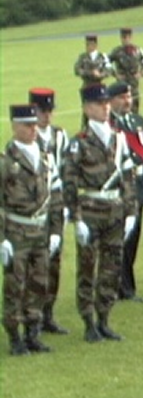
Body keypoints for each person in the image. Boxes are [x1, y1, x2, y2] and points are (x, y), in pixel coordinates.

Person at [63, 83, 138, 342]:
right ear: (86, 108)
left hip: (115, 211)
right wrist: (76, 218)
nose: (105, 108)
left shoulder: (118, 138)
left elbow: (128, 177)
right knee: (87, 268)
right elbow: (69, 183)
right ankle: (88, 322)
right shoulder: (79, 143)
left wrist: (130, 211)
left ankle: (104, 317)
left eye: (107, 103)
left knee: (111, 267)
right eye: (99, 104)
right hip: (91, 211)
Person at [2, 104, 64, 355]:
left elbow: (56, 196)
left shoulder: (46, 158)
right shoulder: (6, 162)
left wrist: (56, 231)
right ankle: (14, 335)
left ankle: (33, 332)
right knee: (15, 286)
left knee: (39, 283)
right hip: (16, 231)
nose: (32, 130)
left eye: (34, 125)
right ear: (15, 127)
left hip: (40, 231)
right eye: (27, 125)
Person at [29, 88, 70, 334]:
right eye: (42, 111)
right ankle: (32, 314)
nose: (46, 116)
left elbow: (67, 171)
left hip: (56, 203)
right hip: (35, 208)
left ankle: (48, 313)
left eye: (49, 111)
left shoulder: (60, 136)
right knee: (35, 264)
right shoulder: (28, 138)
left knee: (54, 262)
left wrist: (65, 206)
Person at [109, 83, 143, 302]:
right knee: (119, 240)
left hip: (138, 185)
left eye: (129, 96)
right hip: (120, 188)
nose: (127, 101)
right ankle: (119, 286)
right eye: (122, 97)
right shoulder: (108, 124)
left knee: (133, 239)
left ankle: (127, 284)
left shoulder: (138, 121)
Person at [107, 28, 143, 113]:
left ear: (131, 38)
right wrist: (115, 74)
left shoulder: (137, 50)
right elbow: (107, 63)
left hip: (134, 84)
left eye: (128, 37)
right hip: (122, 83)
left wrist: (141, 73)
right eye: (124, 38)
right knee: (122, 106)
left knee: (135, 105)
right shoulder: (117, 51)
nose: (126, 40)